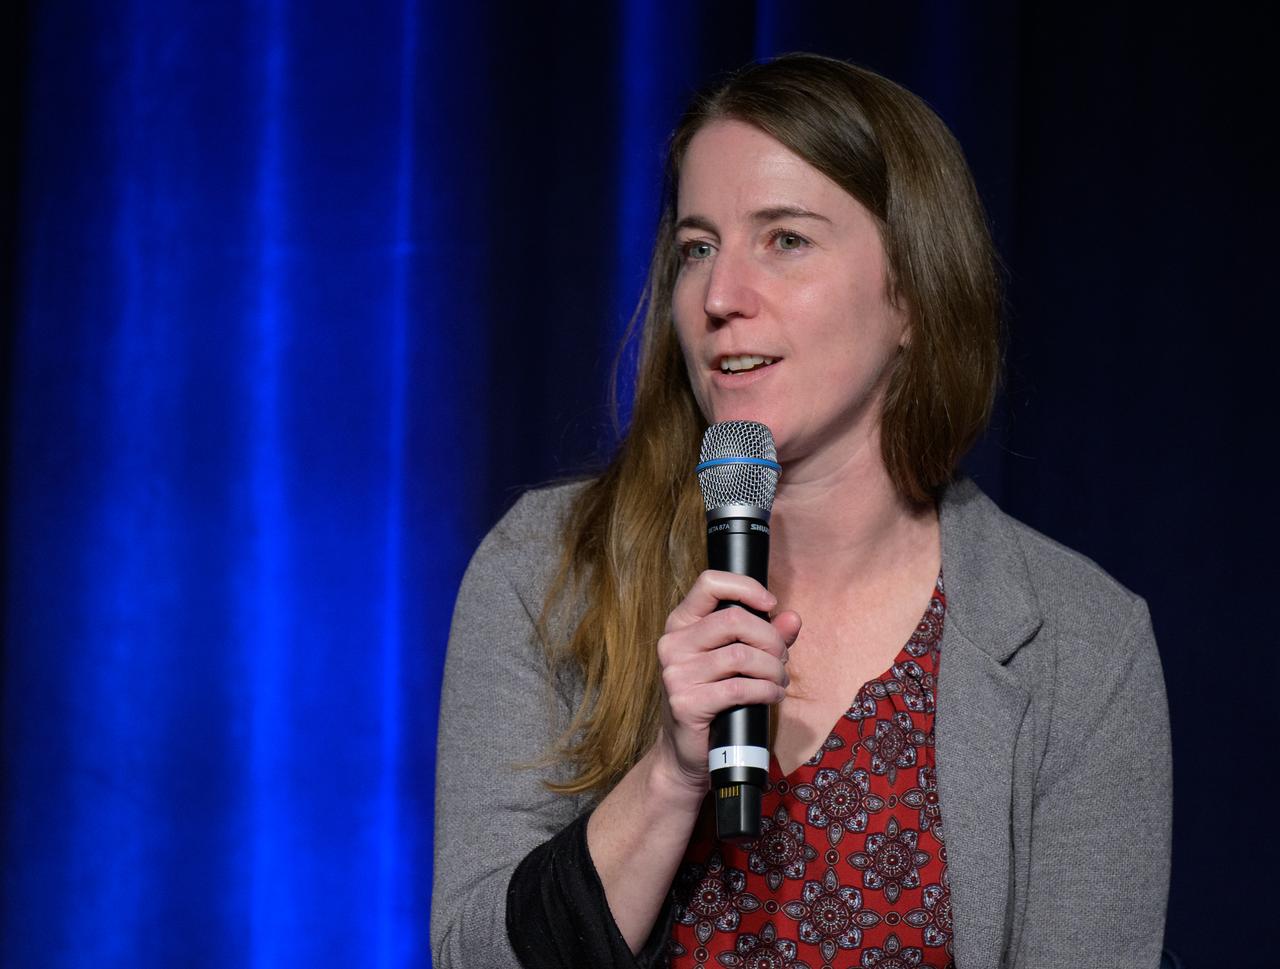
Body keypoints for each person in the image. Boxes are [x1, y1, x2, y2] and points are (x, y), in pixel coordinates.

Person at [431, 53, 1172, 969]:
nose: (720, 297)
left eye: (784, 239)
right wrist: (667, 777)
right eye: (698, 247)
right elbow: (472, 957)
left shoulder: (1079, 642)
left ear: (912, 291)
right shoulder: (546, 570)